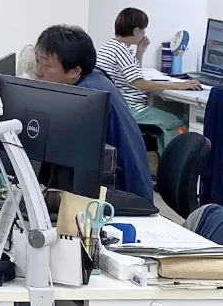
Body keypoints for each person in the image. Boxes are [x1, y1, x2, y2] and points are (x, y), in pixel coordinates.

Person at [35, 25, 153, 201]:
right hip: (113, 189)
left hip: (123, 197)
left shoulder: (88, 97)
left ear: (75, 71)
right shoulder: (93, 78)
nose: (38, 72)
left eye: (46, 65)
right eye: (36, 61)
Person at [96, 8, 201, 154]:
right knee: (176, 123)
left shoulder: (109, 47)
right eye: (143, 31)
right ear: (135, 31)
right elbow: (140, 84)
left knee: (167, 115)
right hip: (132, 109)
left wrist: (140, 52)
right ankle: (172, 172)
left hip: (119, 107)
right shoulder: (121, 51)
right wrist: (181, 85)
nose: (144, 34)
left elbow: (131, 74)